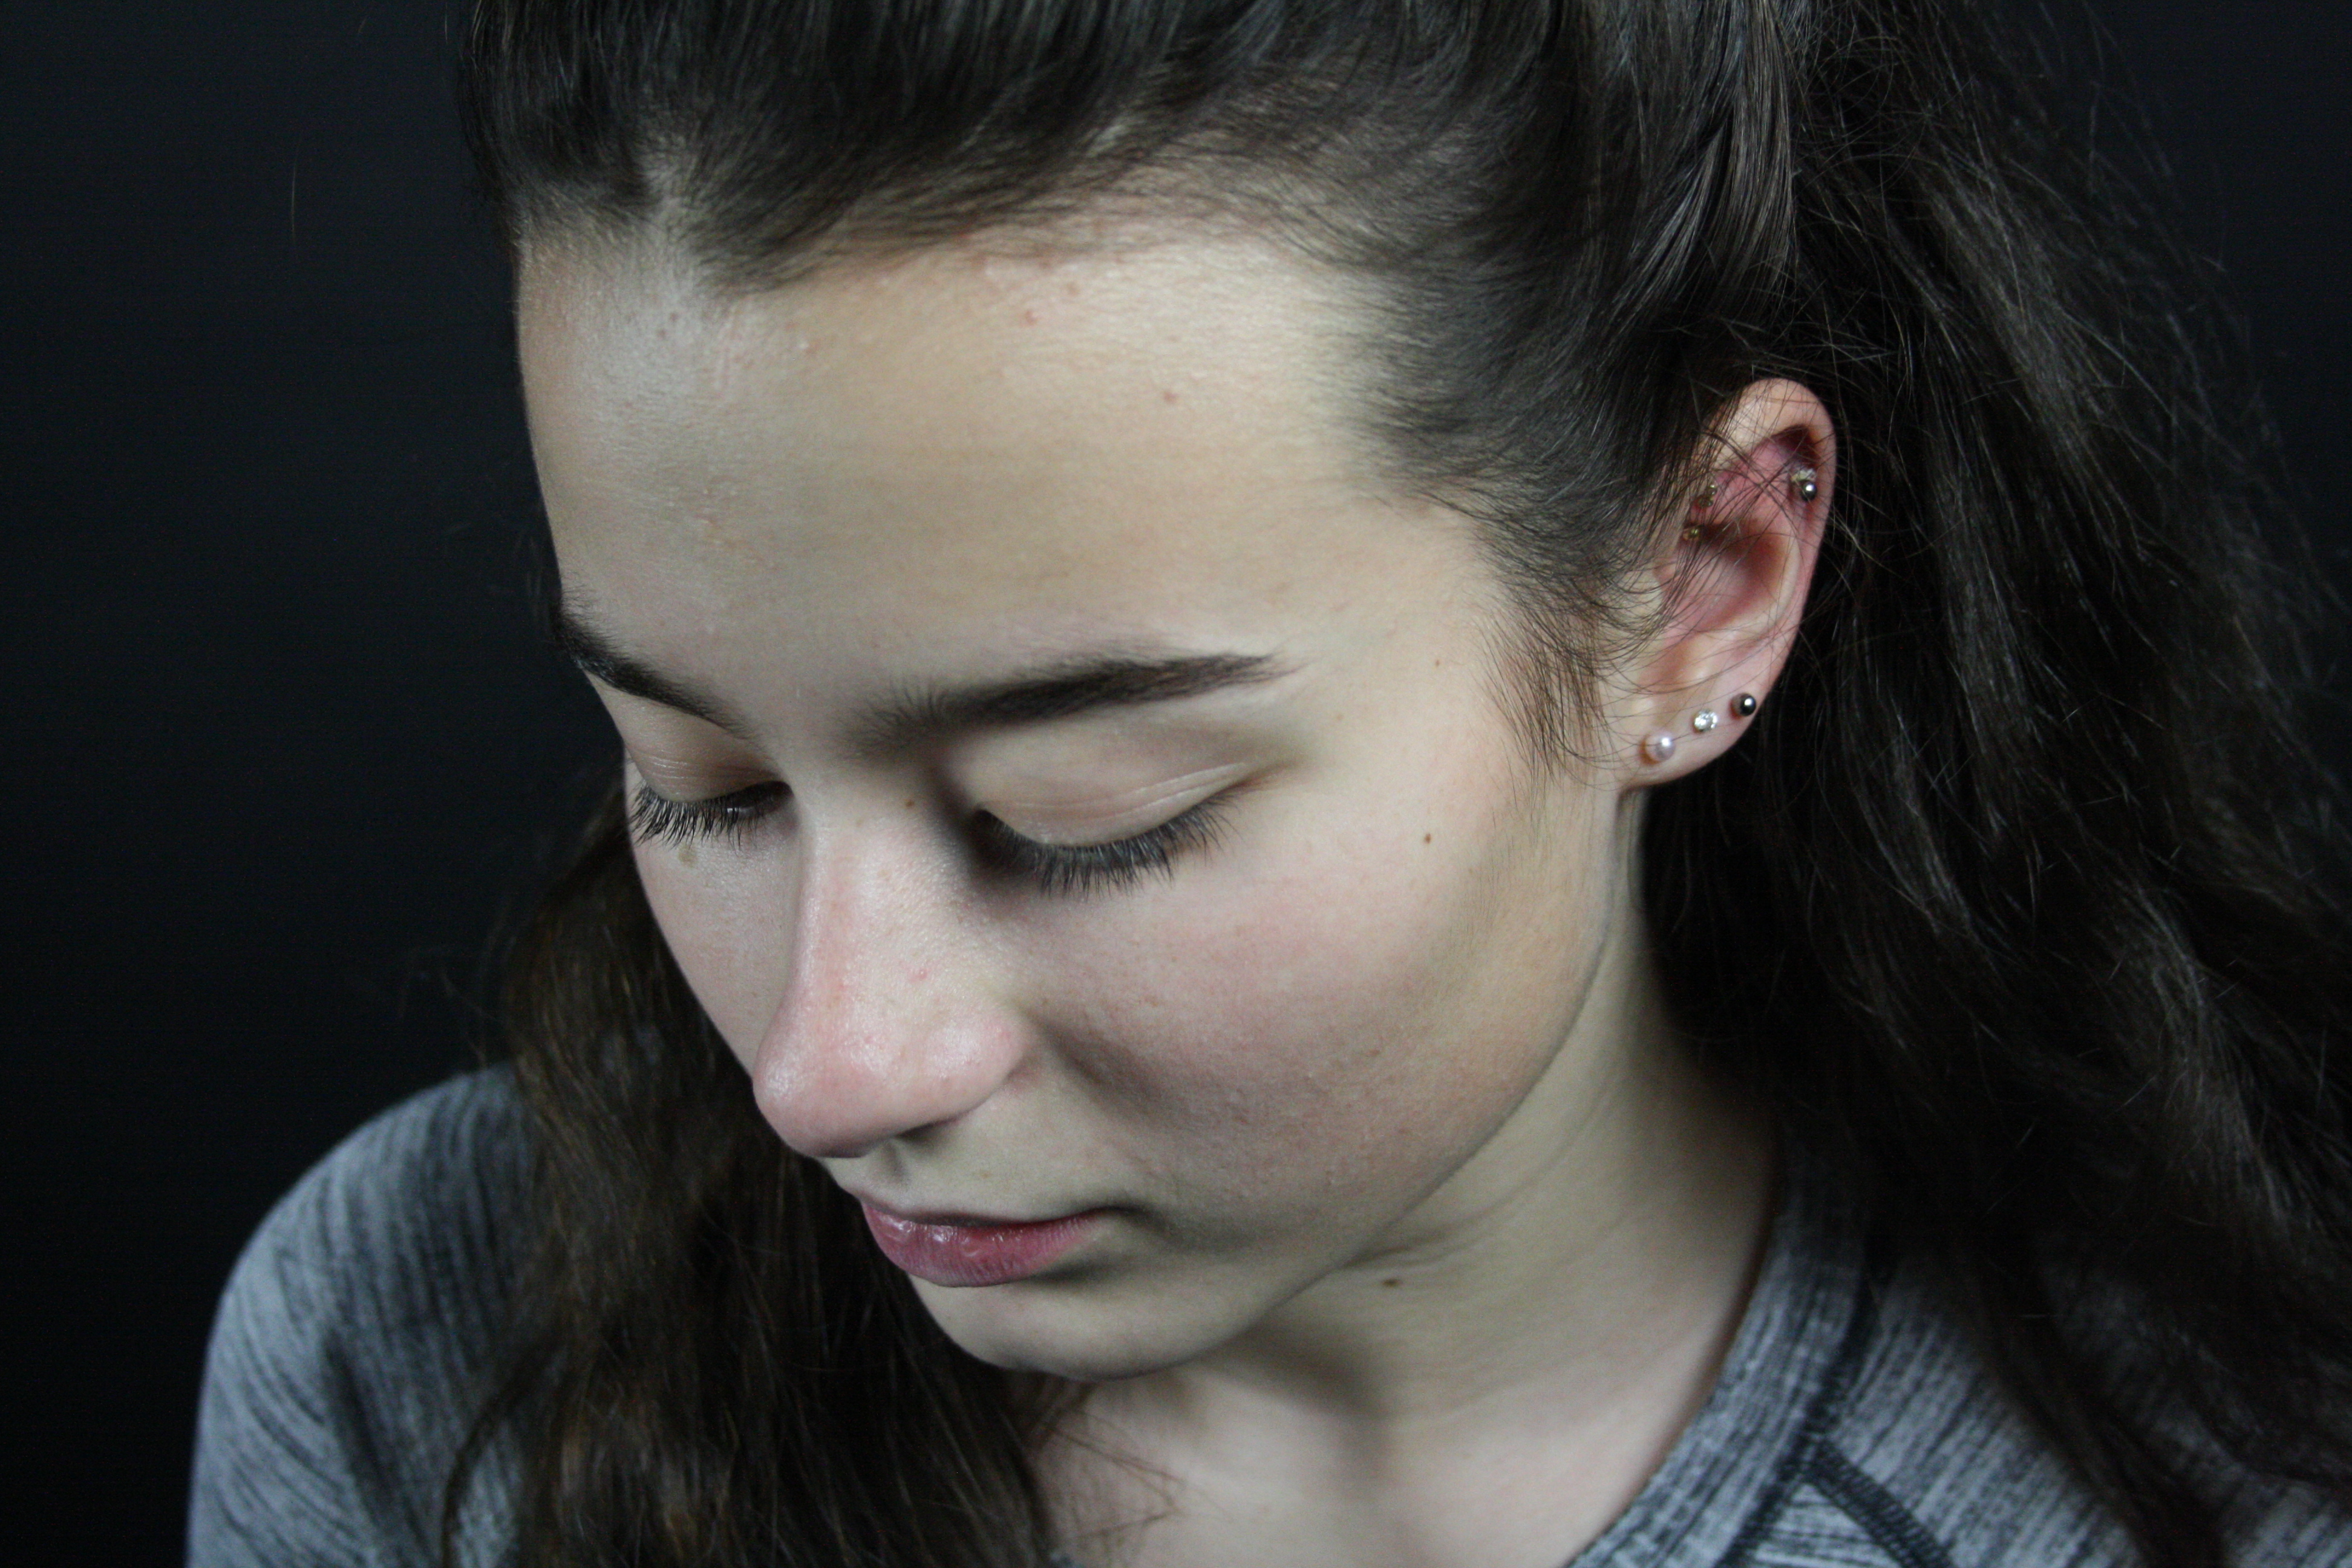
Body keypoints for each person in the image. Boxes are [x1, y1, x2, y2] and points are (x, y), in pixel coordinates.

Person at [188, 1, 2352, 1564]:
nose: (826, 1073)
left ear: (1699, 586)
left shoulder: (2225, 1497)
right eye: (703, 783)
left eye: (1085, 814)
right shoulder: (429, 1363)